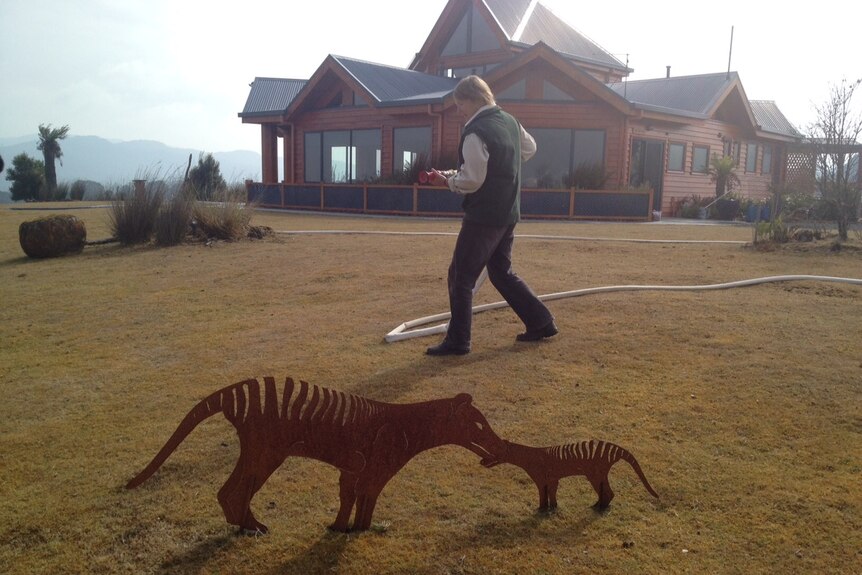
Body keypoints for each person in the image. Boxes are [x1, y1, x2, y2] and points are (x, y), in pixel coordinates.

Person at [425, 75, 557, 356]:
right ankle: (541, 321)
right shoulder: (509, 121)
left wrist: (447, 181)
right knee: (501, 272)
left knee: (460, 277)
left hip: (483, 216)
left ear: (473, 100)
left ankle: (458, 341)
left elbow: (472, 180)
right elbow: (529, 148)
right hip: (508, 213)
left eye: (460, 104)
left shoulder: (475, 131)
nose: (459, 110)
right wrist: (501, 164)